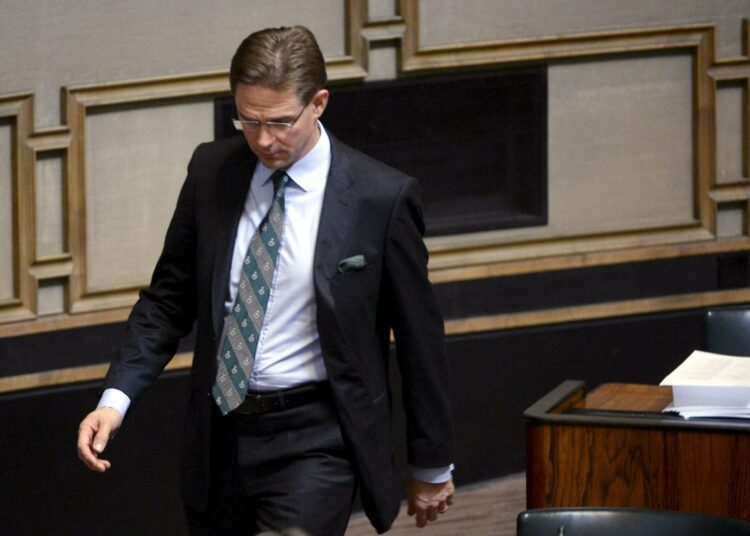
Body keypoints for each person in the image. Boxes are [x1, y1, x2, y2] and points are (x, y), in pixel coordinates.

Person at [77, 25, 455, 535]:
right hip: (219, 435)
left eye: (279, 122)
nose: (263, 140)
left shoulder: (380, 197)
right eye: (248, 121)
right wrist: (114, 400)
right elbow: (167, 301)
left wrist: (431, 463)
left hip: (318, 438)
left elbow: (419, 339)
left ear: (318, 103)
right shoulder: (211, 171)